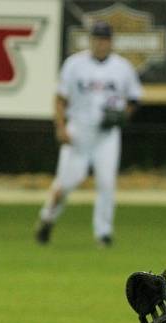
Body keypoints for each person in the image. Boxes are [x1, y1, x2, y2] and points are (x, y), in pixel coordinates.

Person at [35, 21, 143, 247]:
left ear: (110, 41)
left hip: (107, 135)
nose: (100, 43)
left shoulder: (122, 67)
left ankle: (103, 233)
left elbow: (133, 99)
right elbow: (60, 99)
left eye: (104, 39)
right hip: (79, 131)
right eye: (96, 38)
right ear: (90, 39)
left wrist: (123, 115)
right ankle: (47, 218)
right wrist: (61, 127)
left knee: (106, 184)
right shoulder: (74, 65)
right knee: (65, 184)